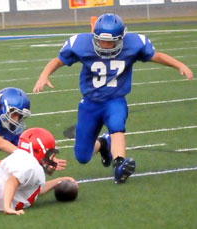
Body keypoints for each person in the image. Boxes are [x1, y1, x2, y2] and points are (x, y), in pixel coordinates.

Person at [33, 13, 193, 184]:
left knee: (117, 125)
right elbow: (58, 61)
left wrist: (179, 65)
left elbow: (156, 56)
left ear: (121, 38)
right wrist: (44, 75)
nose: (106, 45)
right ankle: (103, 144)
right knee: (82, 156)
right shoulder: (80, 44)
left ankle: (119, 165)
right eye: (102, 40)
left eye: (111, 41)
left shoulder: (133, 44)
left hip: (114, 99)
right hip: (90, 103)